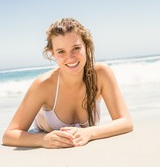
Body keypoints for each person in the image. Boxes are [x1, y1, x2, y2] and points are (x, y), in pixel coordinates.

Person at [2, 18, 133, 149]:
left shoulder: (101, 74)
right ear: (52, 53)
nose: (70, 57)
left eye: (76, 48)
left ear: (86, 47)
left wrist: (90, 132)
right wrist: (43, 140)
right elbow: (9, 135)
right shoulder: (43, 85)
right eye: (61, 51)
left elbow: (126, 122)